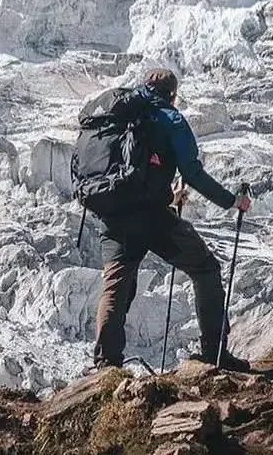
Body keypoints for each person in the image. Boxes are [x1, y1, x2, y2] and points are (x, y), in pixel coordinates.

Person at [92, 68, 253, 371]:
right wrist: (231, 201)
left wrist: (169, 196)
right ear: (173, 95)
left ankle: (105, 366)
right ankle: (215, 353)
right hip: (151, 217)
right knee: (205, 269)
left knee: (115, 287)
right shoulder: (170, 119)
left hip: (113, 214)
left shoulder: (122, 114)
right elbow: (192, 172)